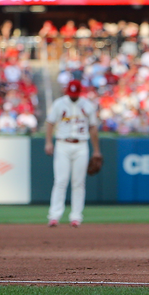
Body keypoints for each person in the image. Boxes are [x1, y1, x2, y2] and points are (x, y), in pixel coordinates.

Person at [44, 79, 102, 228]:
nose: (73, 96)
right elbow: (50, 122)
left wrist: (96, 150)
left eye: (75, 93)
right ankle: (54, 216)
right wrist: (49, 142)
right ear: (67, 91)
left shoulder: (87, 105)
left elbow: (93, 128)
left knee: (78, 182)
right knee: (60, 181)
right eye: (71, 93)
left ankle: (76, 217)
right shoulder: (59, 103)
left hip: (81, 145)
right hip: (63, 143)